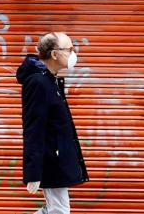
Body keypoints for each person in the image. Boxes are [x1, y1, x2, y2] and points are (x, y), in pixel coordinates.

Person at [16, 32, 89, 214]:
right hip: (51, 159)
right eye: (69, 50)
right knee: (59, 211)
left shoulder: (49, 79)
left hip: (57, 157)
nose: (73, 54)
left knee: (57, 210)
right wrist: (33, 173)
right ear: (55, 54)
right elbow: (33, 128)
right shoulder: (39, 82)